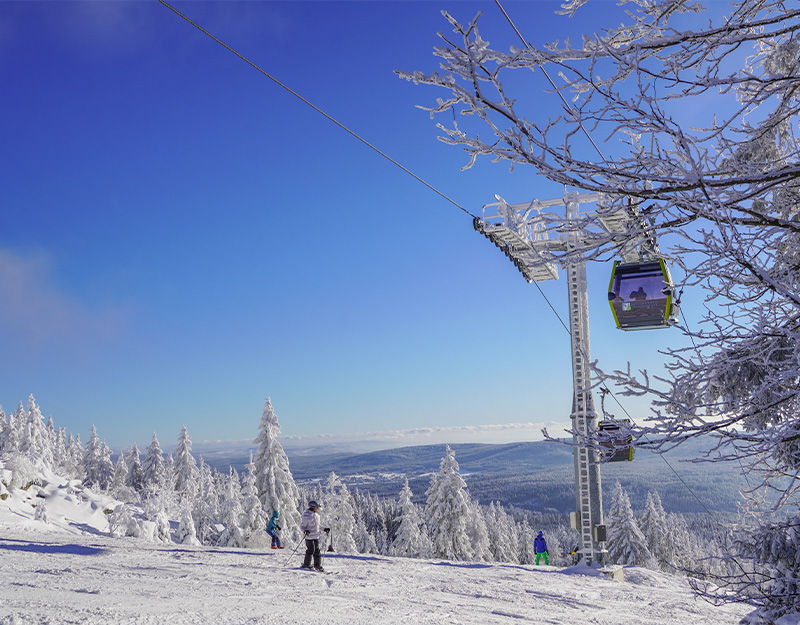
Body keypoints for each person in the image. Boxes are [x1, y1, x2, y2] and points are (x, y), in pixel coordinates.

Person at [299, 501, 330, 572]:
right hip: (309, 537)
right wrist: (305, 531)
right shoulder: (307, 516)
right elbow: (302, 526)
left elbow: (318, 526)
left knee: (317, 551)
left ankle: (317, 565)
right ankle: (306, 564)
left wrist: (324, 529)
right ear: (313, 508)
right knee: (311, 550)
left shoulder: (316, 516)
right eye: (317, 507)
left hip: (316, 536)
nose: (318, 509)